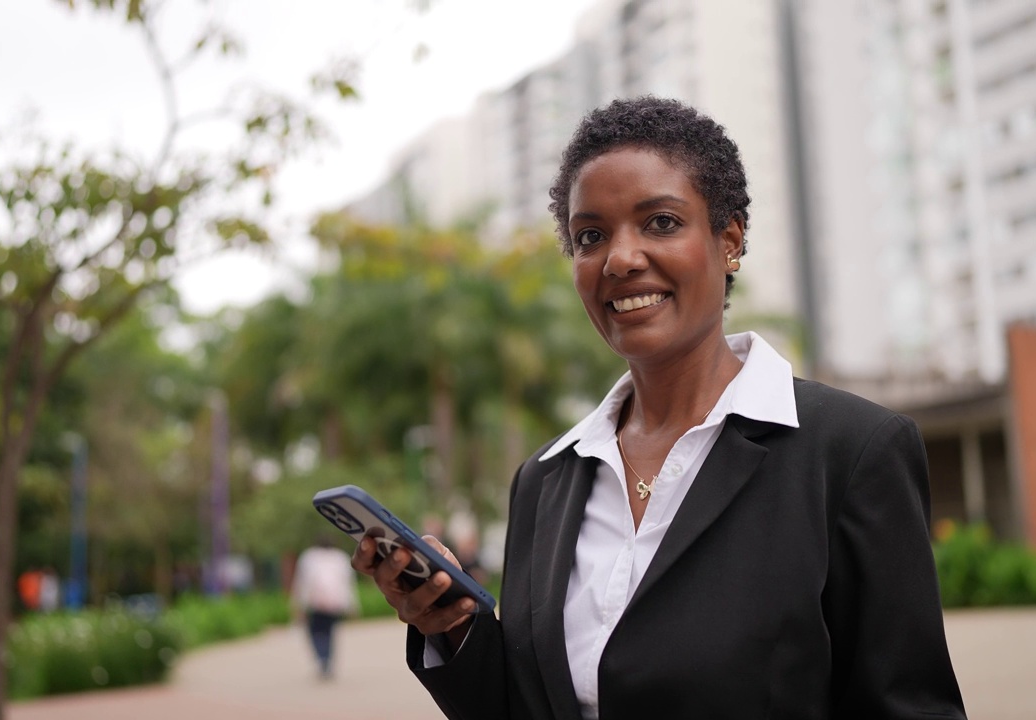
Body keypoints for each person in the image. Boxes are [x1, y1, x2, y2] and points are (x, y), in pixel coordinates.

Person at [353, 97, 966, 719]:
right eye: (590, 236)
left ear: (729, 240)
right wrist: (455, 629)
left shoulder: (852, 451)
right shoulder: (545, 480)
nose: (619, 258)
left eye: (661, 223)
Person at [291, 535, 359, 679]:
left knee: (316, 633)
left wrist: (299, 606)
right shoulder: (340, 558)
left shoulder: (309, 557)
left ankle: (322, 657)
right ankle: (327, 659)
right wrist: (352, 605)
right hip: (335, 603)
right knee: (330, 633)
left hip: (316, 604)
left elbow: (302, 583)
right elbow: (348, 584)